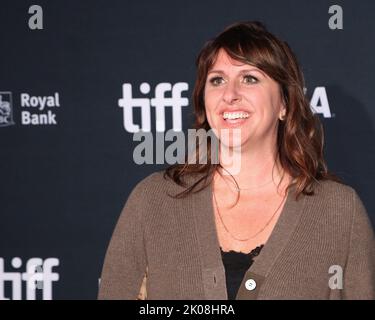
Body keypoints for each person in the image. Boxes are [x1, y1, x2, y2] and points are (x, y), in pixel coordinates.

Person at [98, 21, 375, 300]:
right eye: (217, 80)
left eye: (249, 78)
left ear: (284, 103)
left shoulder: (339, 211)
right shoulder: (154, 200)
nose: (230, 95)